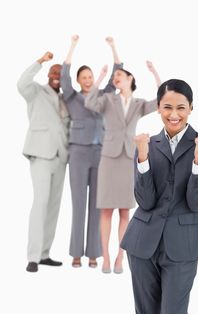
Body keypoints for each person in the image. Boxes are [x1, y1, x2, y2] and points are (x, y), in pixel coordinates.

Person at [121, 79, 198, 314]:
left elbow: (197, 202)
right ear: (158, 109)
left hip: (183, 245)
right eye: (167, 107)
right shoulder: (147, 144)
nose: (173, 114)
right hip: (141, 243)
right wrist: (142, 157)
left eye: (180, 107)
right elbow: (145, 200)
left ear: (190, 108)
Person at [85, 62, 161, 273]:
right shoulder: (109, 99)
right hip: (109, 158)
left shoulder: (139, 104)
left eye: (119, 75)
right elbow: (90, 102)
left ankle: (120, 257)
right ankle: (106, 259)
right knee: (106, 211)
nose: (115, 77)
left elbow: (160, 101)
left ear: (130, 79)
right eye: (114, 76)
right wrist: (100, 77)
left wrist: (155, 73)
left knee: (125, 211)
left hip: (129, 158)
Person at [60, 35, 123, 268]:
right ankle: (76, 253)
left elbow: (118, 73)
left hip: (100, 154)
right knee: (78, 204)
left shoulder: (103, 95)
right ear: (79, 80)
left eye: (90, 77)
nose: (88, 80)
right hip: (78, 153)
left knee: (98, 205)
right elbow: (64, 77)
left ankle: (94, 253)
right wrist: (72, 45)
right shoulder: (72, 97)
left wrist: (113, 47)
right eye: (84, 77)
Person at [17, 52, 70, 272]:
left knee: (53, 206)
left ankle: (44, 253)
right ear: (48, 74)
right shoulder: (35, 92)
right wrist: (40, 61)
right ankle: (32, 256)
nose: (57, 75)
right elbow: (22, 83)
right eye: (54, 71)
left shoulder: (66, 100)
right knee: (40, 203)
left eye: (61, 72)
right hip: (40, 154)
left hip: (61, 157)